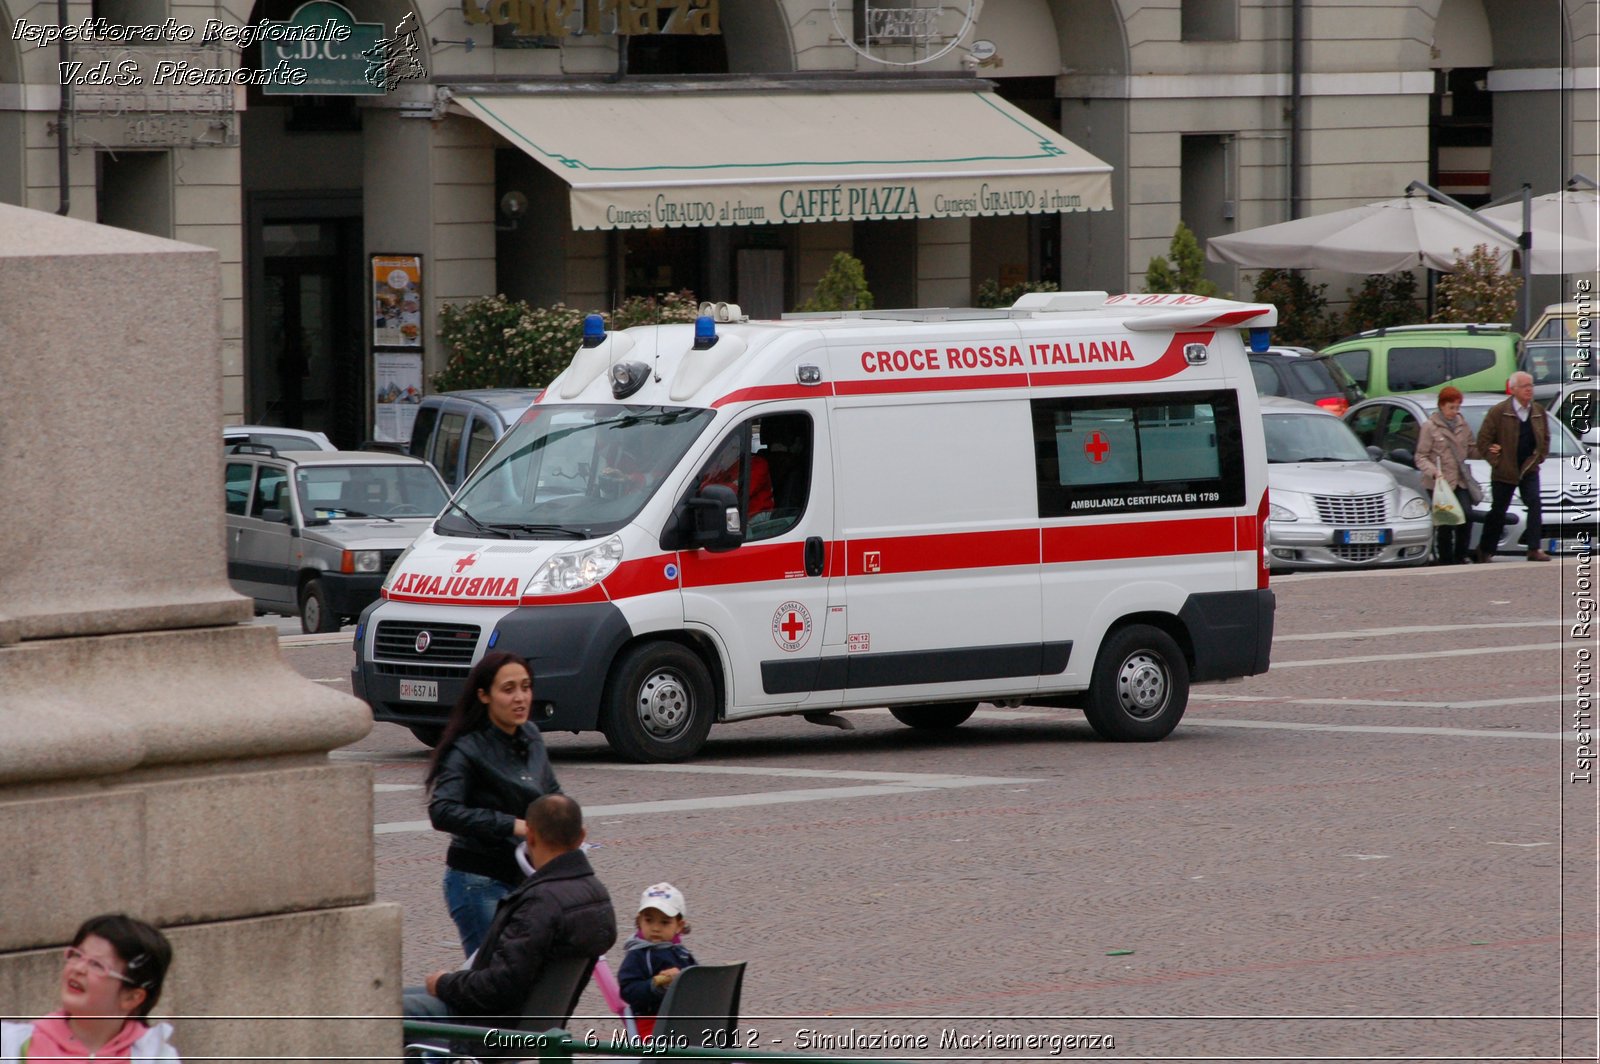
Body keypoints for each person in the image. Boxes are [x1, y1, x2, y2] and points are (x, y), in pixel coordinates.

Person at [404, 794, 617, 1023]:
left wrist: (444, 982)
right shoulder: (597, 896)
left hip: (488, 1027)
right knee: (393, 998)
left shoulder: (539, 903)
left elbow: (498, 987)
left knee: (377, 1007)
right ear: (581, 836)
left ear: (531, 835)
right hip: (538, 1025)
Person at [426, 651, 562, 958]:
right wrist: (511, 824)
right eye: (508, 689)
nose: (520, 698)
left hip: (525, 878)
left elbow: (551, 791)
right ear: (484, 695)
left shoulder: (530, 734)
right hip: (478, 881)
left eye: (526, 687)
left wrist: (566, 820)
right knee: (492, 980)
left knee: (523, 973)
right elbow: (442, 810)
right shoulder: (467, 747)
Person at [1, 914, 178, 1063]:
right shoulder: (12, 1045)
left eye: (97, 965)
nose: (78, 968)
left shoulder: (157, 1057)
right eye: (77, 955)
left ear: (132, 998)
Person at [1475, 371, 1552, 563]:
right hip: (1505, 470)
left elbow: (1545, 438)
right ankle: (1485, 549)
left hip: (1529, 468)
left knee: (1534, 503)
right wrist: (1496, 462)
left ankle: (1534, 548)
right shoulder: (1499, 411)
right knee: (1498, 510)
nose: (1529, 390)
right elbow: (1483, 441)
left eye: (1531, 386)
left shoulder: (1538, 411)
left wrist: (1539, 457)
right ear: (1514, 389)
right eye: (1525, 386)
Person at [617, 883, 697, 1039]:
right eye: (649, 921)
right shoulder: (638, 954)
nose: (655, 928)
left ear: (679, 926)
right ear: (639, 922)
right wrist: (654, 985)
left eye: (664, 922)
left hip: (682, 1021)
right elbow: (628, 990)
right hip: (651, 1022)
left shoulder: (681, 953)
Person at [1414, 385, 1482, 565]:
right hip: (1440, 483)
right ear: (1442, 406)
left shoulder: (1462, 423)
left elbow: (1471, 449)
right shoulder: (1430, 426)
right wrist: (1434, 472)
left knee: (1466, 515)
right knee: (1446, 521)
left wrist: (1487, 450)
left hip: (1460, 480)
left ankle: (1461, 555)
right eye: (1451, 407)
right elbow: (1421, 456)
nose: (1454, 411)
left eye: (1457, 407)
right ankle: (1445, 559)